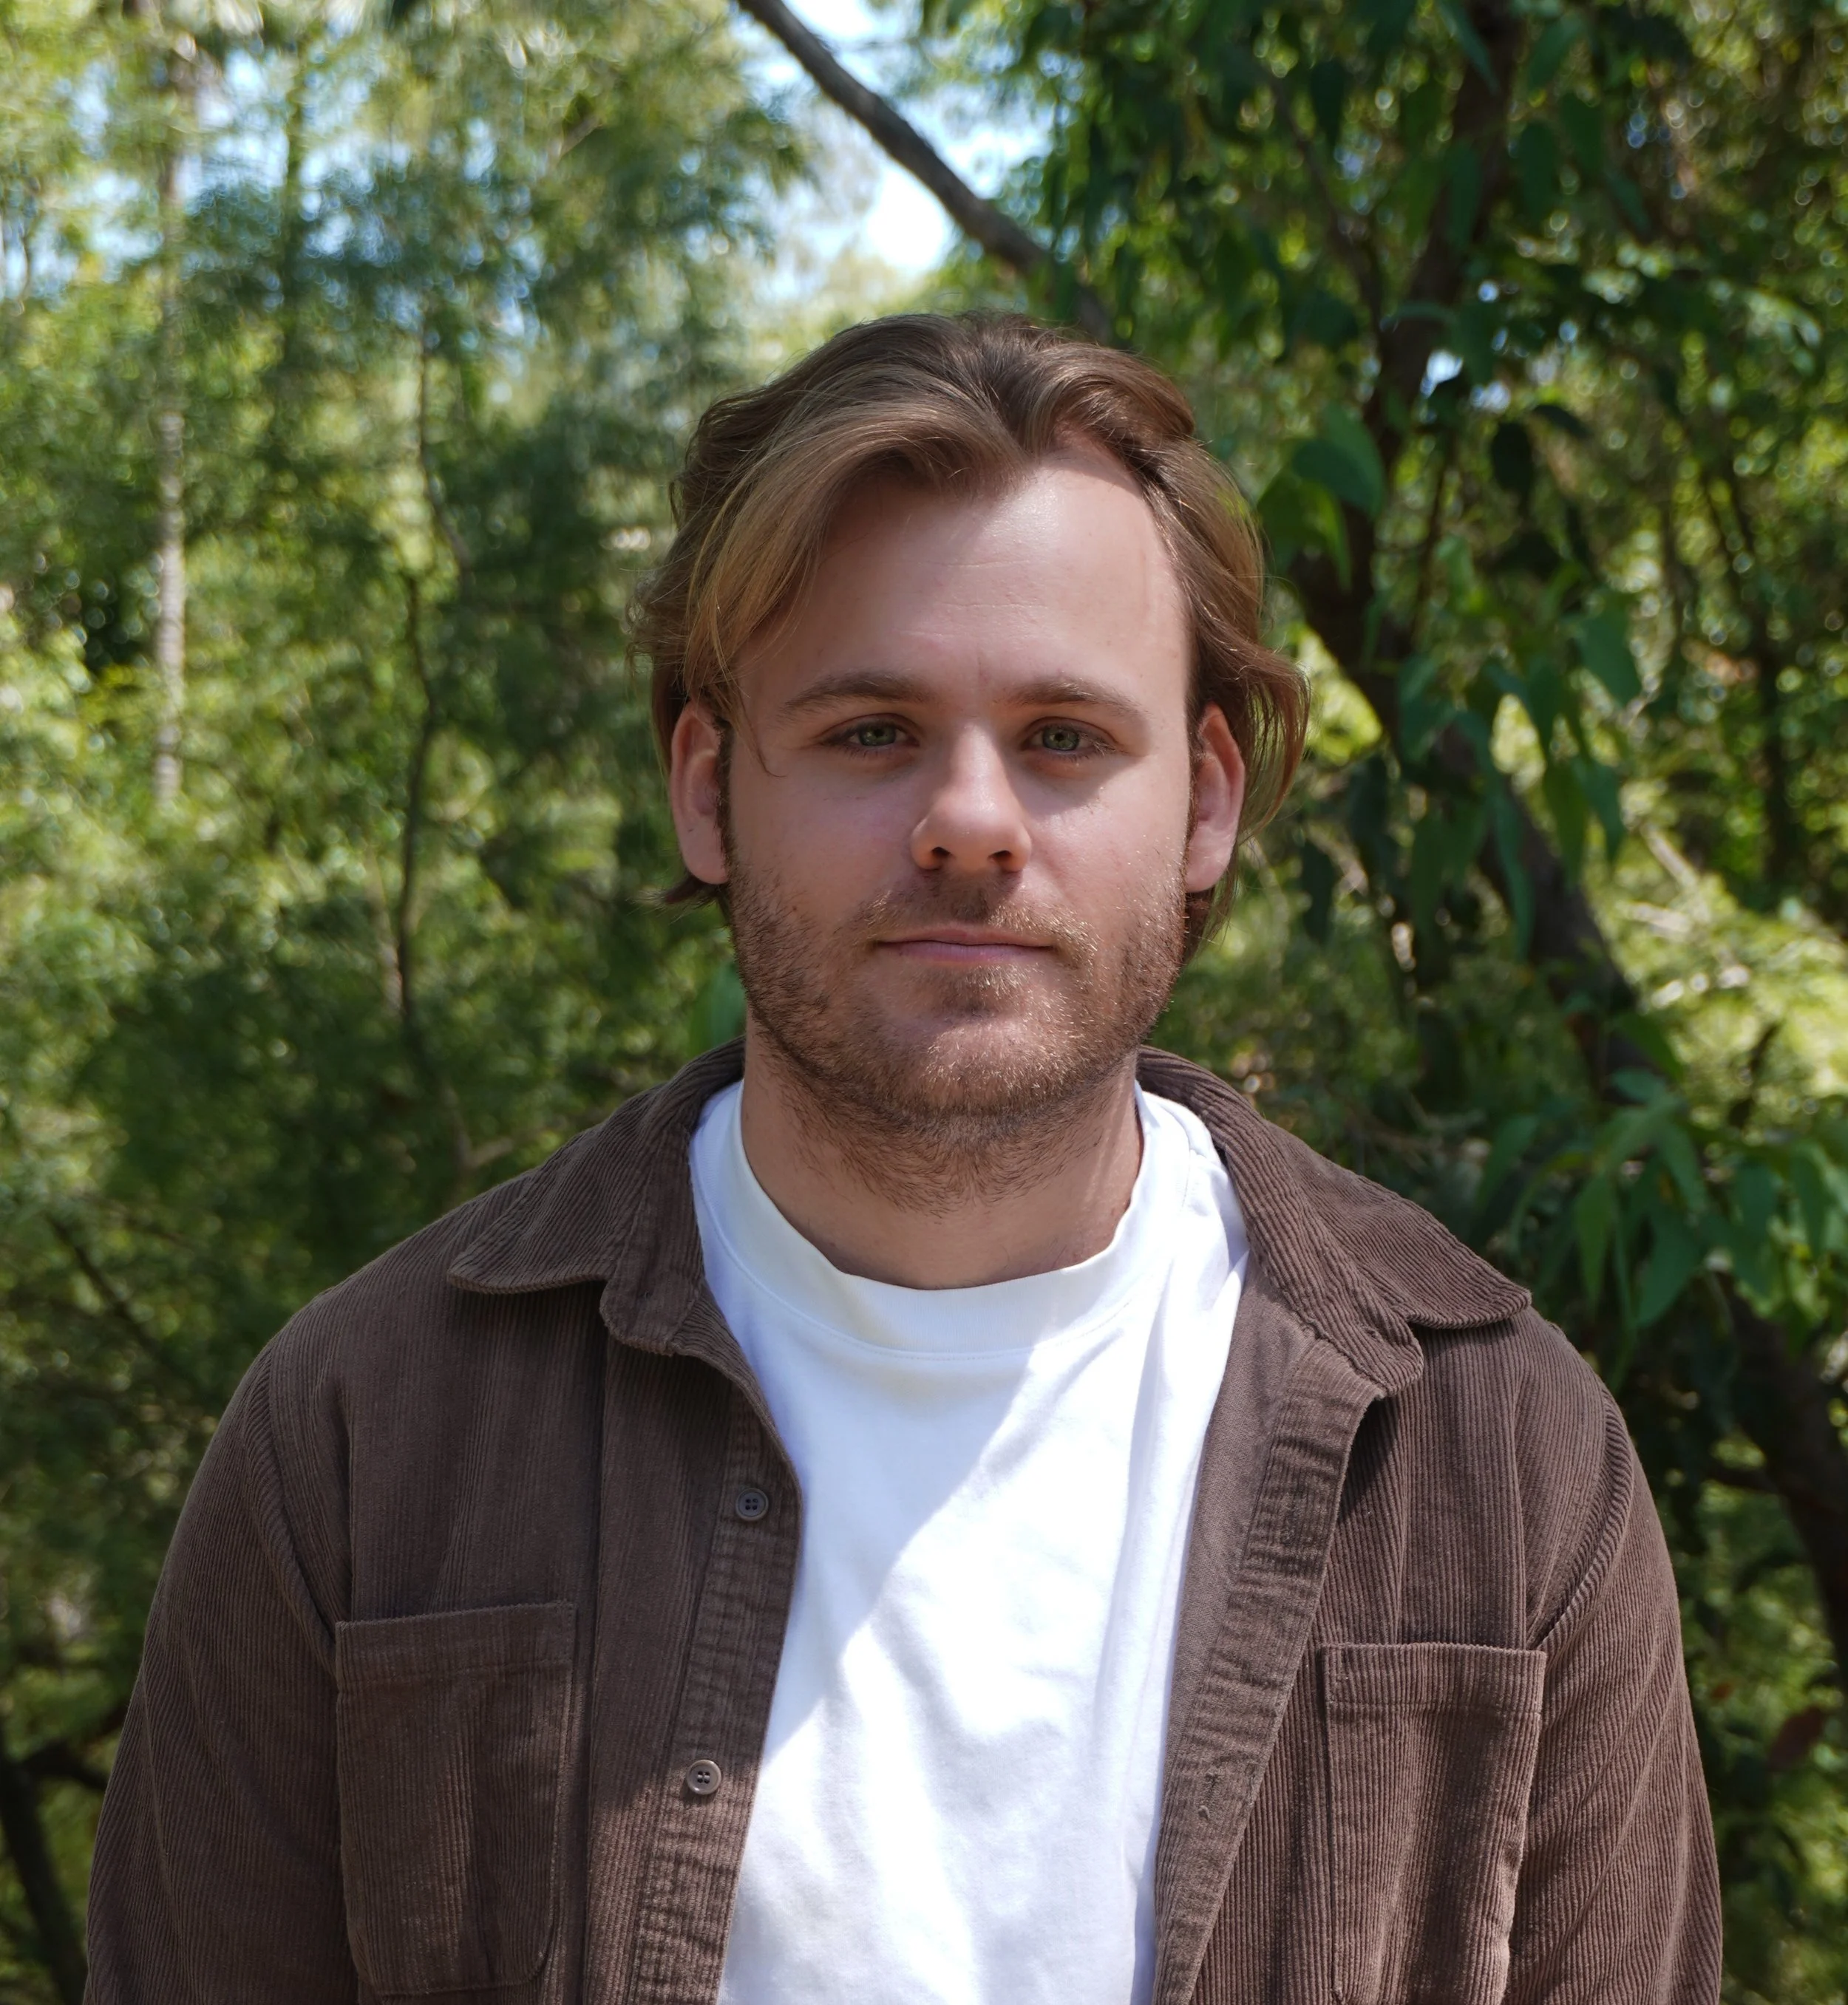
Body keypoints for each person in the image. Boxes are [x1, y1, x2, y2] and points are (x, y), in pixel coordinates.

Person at [86, 313, 1720, 2004]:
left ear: (1208, 802)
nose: (969, 818)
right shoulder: (363, 1438)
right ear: (710, 790)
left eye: (1065, 739)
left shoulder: (1502, 1462)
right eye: (871, 731)